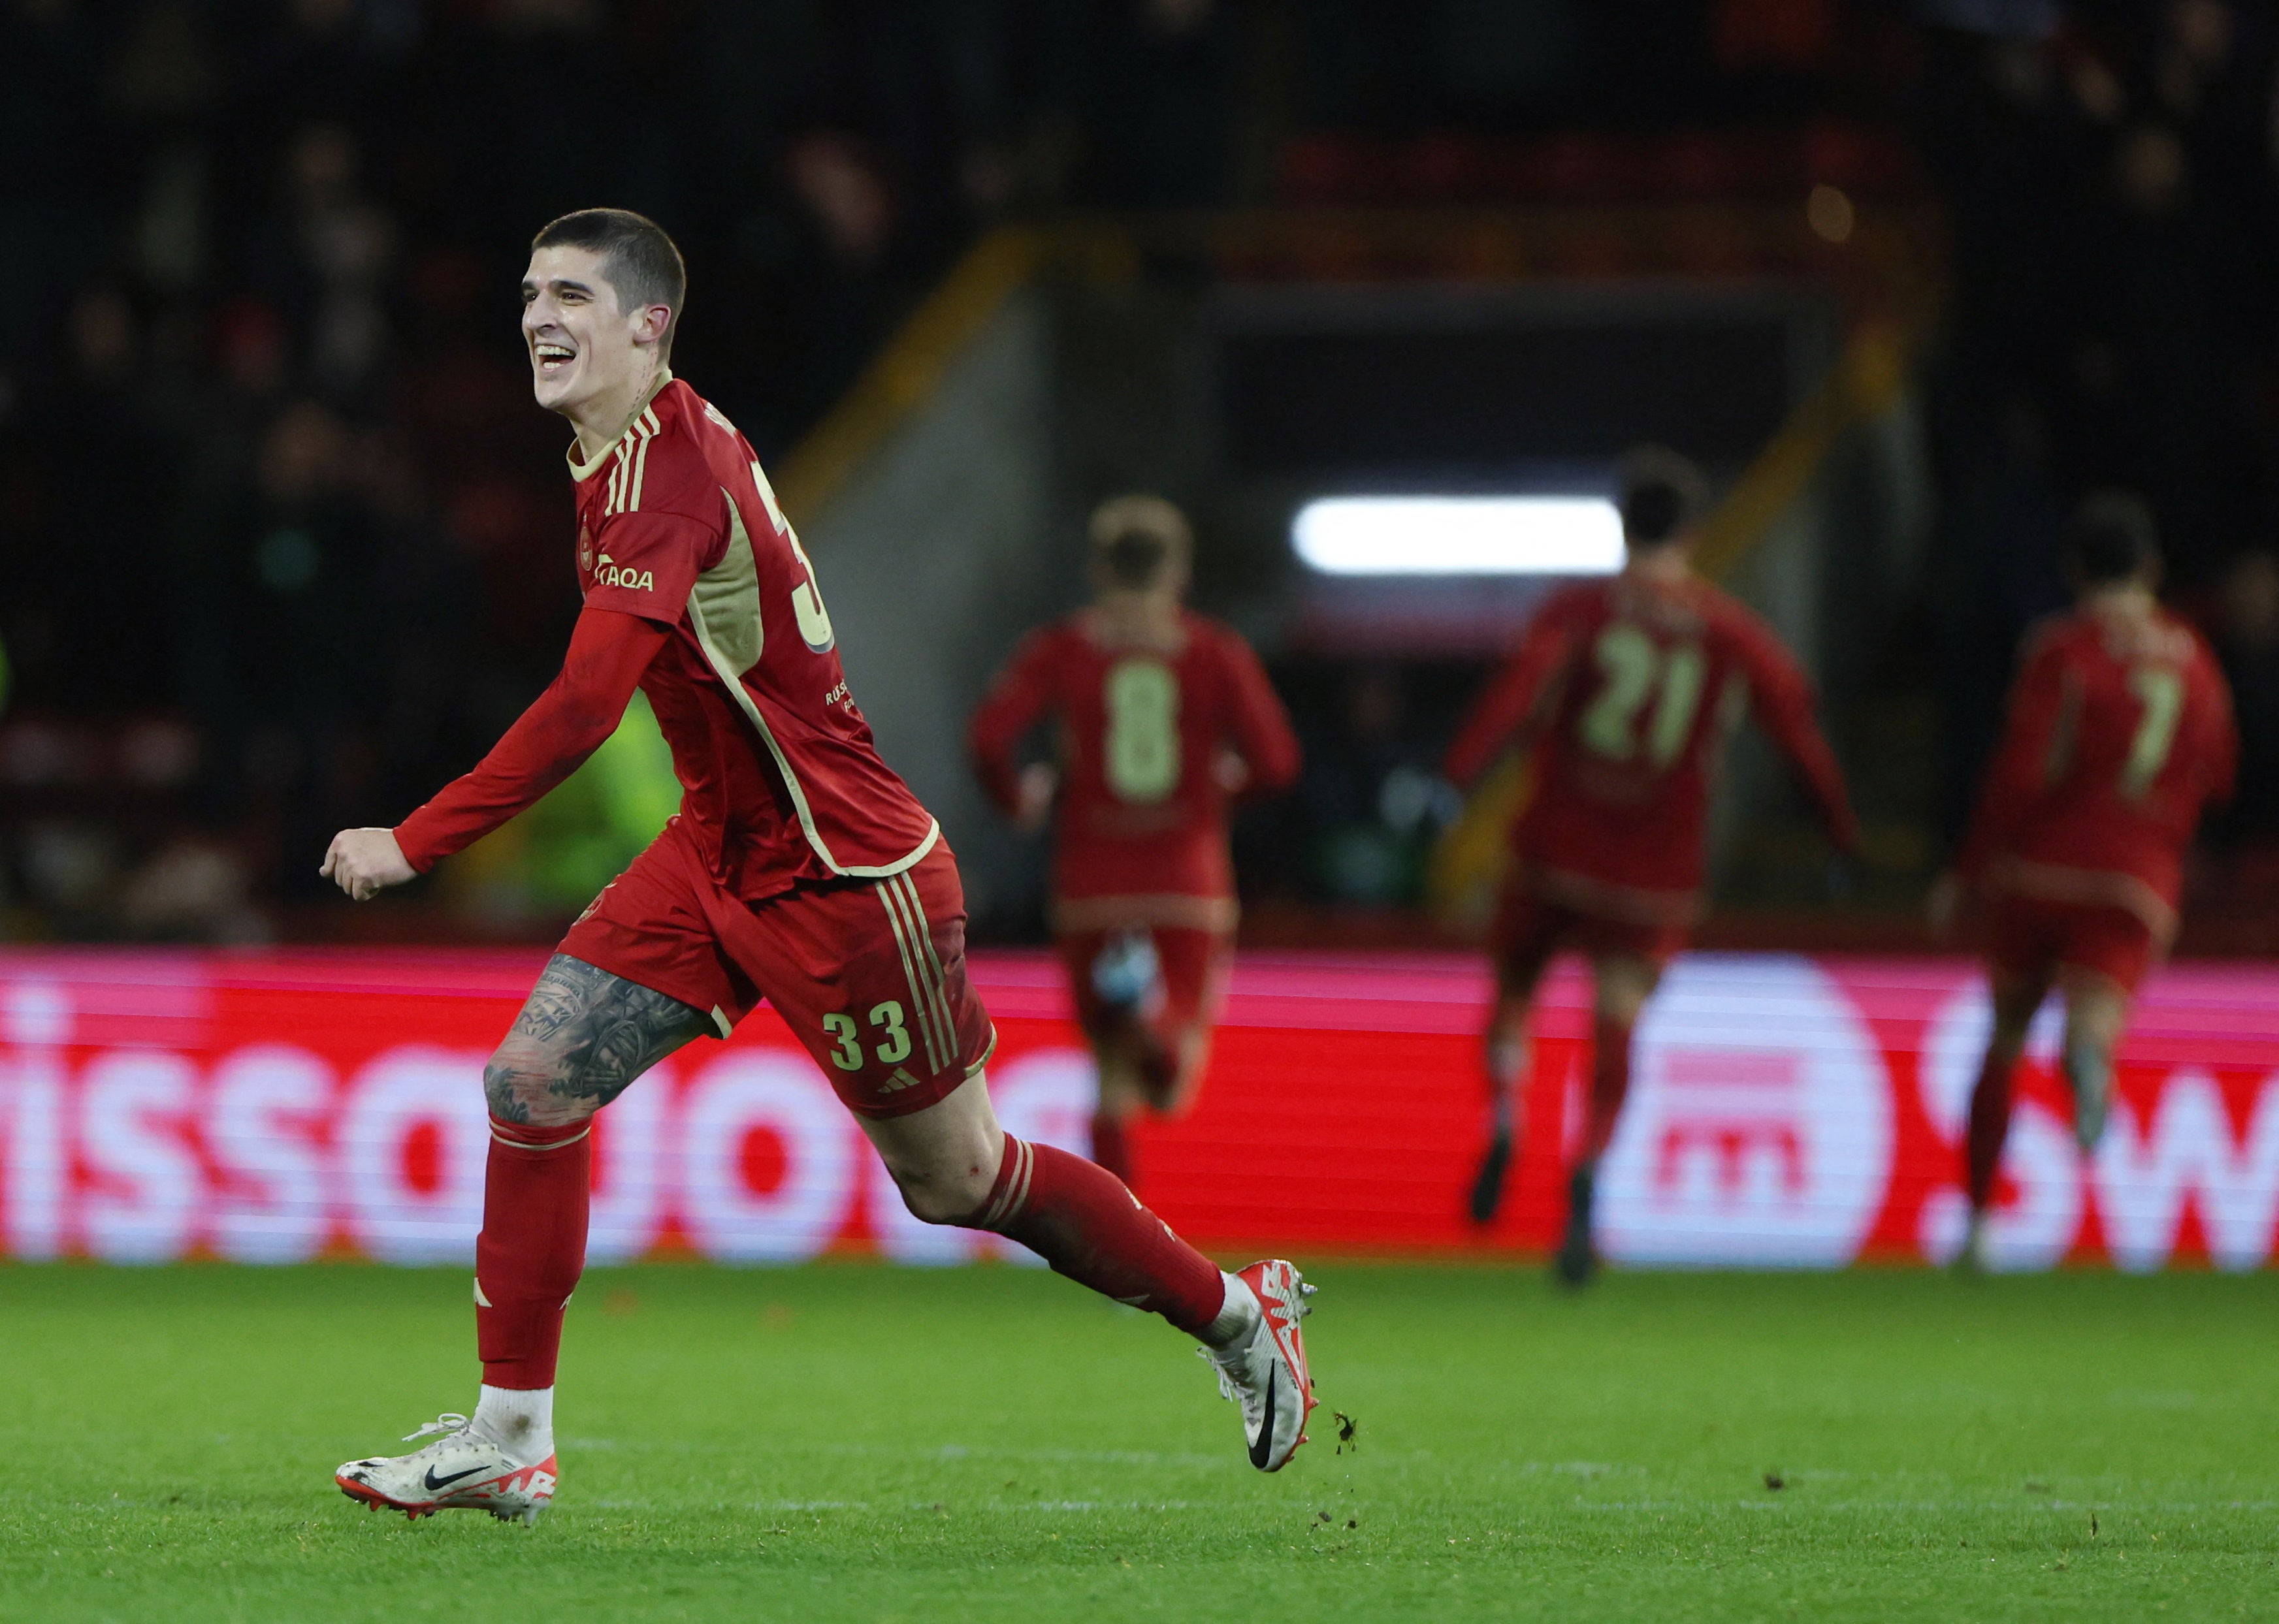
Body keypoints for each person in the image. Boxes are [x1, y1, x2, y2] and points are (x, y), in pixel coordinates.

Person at [319, 210, 1316, 1524]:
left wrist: (418, 836)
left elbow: (581, 705)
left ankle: (1239, 1318)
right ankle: (510, 1438)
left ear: (647, 325)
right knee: (533, 1077)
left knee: (957, 1177)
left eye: (569, 294)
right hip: (719, 849)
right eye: (526, 293)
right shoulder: (623, 448)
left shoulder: (659, 480)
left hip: (844, 872)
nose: (536, 318)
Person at [1442, 447, 1858, 1284]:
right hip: (1653, 868)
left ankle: (1506, 1122)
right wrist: (1838, 830)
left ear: (1620, 525)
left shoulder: (1580, 611)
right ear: (1696, 535)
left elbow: (1521, 693)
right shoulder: (1728, 629)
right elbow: (1795, 725)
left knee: (1515, 991)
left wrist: (1456, 777)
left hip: (1555, 846)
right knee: (1618, 1012)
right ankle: (1589, 1165)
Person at [1931, 492, 2236, 1272]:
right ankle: (2089, 1051)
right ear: (2153, 569)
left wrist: (1970, 869)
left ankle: (1975, 1226)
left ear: (2073, 568)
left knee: (2002, 1036)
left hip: (2041, 869)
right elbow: (2223, 771)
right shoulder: (2195, 658)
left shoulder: (2061, 650)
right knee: (2097, 1010)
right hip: (2134, 876)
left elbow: (2019, 770)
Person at [967, 496, 1299, 1186]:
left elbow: (989, 738)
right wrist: (1220, 789)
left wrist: (1018, 799)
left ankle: (1127, 1256)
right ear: (1177, 572)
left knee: (1111, 1067)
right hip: (1188, 882)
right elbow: (1277, 760)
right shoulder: (1213, 650)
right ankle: (1152, 1013)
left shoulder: (1061, 649)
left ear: (1098, 570)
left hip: (1091, 885)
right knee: (1172, 1084)